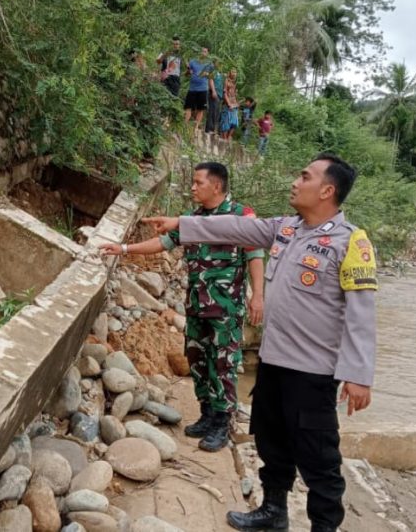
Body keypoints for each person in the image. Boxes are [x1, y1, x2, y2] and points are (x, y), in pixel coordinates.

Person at [145, 153, 377, 532]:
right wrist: (181, 224)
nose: (295, 181)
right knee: (272, 443)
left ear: (327, 190)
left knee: (319, 458)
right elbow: (233, 227)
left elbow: (362, 314)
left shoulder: (350, 243)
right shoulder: (285, 228)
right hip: (273, 362)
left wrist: (359, 375)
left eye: (305, 176)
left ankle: (324, 526)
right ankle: (273, 511)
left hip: (313, 372)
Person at [100, 162, 264, 453]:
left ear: (216, 186)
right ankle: (207, 414)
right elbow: (163, 243)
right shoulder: (191, 218)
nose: (192, 187)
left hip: (226, 308)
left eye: (198, 182)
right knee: (198, 358)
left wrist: (258, 296)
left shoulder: (241, 216)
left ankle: (222, 423)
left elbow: (254, 256)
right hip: (197, 305)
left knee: (223, 363)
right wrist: (124, 249)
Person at [184, 46, 215, 128]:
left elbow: (212, 77)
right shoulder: (192, 62)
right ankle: (185, 125)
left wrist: (207, 74)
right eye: (201, 51)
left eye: (205, 51)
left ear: (207, 53)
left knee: (200, 109)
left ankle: (196, 127)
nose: (202, 53)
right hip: (192, 88)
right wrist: (188, 71)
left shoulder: (210, 64)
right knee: (188, 107)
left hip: (203, 89)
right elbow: (186, 74)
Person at [206, 58, 225, 135]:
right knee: (212, 110)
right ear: (215, 63)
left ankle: (212, 129)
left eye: (220, 64)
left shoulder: (220, 74)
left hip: (219, 95)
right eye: (218, 63)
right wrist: (213, 91)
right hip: (214, 93)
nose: (219, 65)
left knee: (216, 111)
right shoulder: (213, 70)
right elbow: (210, 80)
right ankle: (209, 129)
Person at [220, 68, 239, 142]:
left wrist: (236, 104)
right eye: (233, 72)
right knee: (226, 121)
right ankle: (224, 138)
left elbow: (234, 95)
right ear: (230, 73)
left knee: (234, 122)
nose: (234, 74)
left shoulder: (234, 83)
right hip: (227, 104)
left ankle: (228, 137)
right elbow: (224, 93)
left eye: (235, 72)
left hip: (234, 104)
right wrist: (228, 104)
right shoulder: (226, 81)